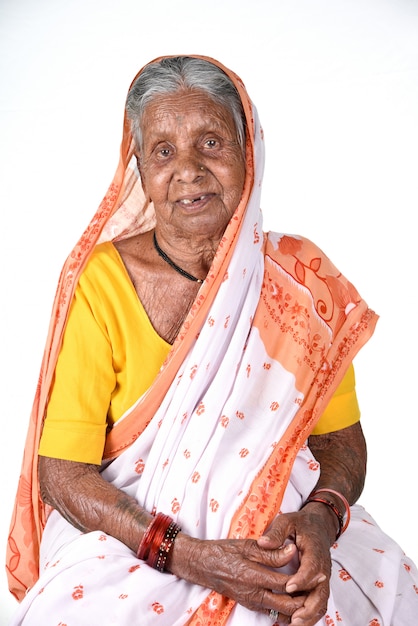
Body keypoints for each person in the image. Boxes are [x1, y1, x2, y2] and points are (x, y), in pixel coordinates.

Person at [6, 55, 418, 626]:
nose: (189, 169)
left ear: (248, 154)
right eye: (163, 151)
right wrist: (190, 556)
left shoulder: (300, 278)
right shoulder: (102, 282)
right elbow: (63, 474)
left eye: (211, 142)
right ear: (139, 171)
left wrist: (321, 520)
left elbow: (342, 445)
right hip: (136, 545)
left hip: (288, 542)